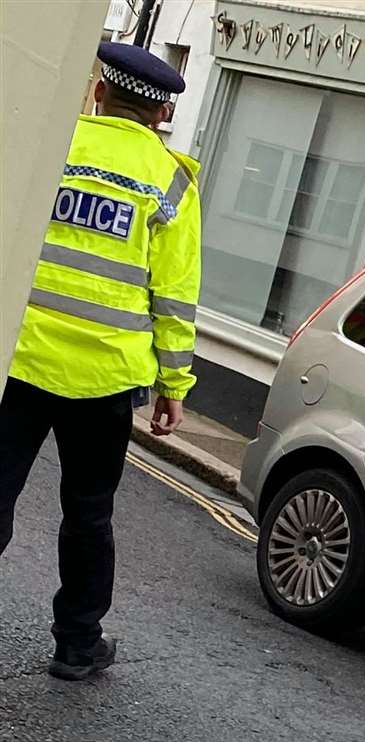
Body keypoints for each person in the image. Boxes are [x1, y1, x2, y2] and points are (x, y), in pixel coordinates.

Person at [0, 42, 201, 681]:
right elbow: (173, 293)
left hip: (22, 359)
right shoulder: (171, 179)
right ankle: (77, 643)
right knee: (88, 512)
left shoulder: (52, 144)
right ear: (160, 111)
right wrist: (175, 383)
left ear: (97, 92)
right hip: (106, 379)